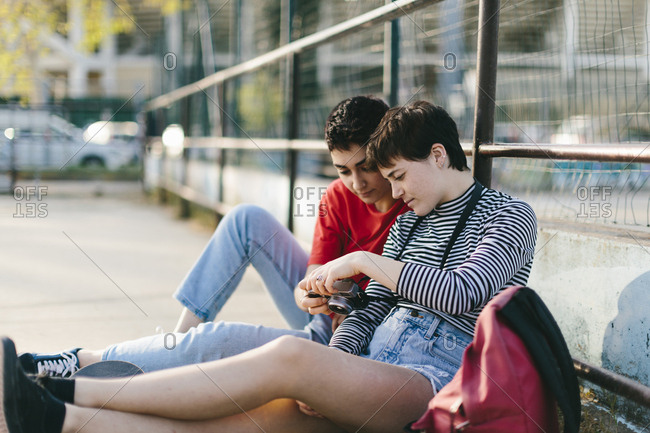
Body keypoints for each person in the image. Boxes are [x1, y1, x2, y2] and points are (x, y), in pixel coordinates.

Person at [1, 101, 538, 433]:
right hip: (371, 372)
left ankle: (71, 387)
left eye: (398, 176)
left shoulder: (511, 215)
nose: (392, 191)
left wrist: (363, 262)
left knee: (287, 354)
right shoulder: (409, 225)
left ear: (439, 157)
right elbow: (368, 314)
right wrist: (334, 368)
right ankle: (53, 417)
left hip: (431, 381)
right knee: (226, 424)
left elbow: (467, 291)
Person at [18, 95, 409, 377]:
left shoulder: (414, 200)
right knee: (246, 219)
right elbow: (304, 287)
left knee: (214, 342)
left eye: (366, 167)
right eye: (343, 170)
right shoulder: (337, 196)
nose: (356, 182)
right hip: (327, 321)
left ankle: (84, 362)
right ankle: (175, 343)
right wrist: (311, 296)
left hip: (359, 342)